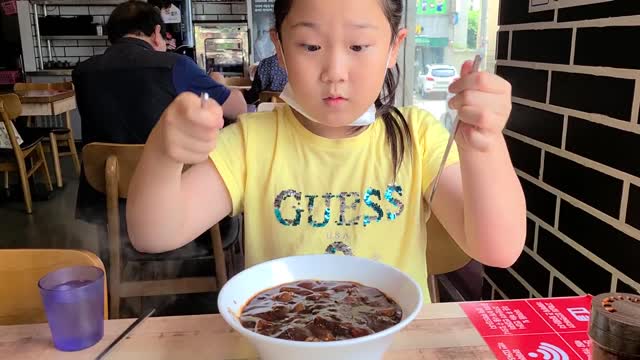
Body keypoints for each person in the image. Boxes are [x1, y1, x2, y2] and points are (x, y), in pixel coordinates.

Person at [127, 0, 527, 302]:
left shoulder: (416, 136)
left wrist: (485, 147)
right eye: (311, 45)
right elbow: (154, 233)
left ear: (393, 48)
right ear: (280, 49)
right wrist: (164, 152)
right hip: (284, 338)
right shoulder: (253, 142)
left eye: (358, 45)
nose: (335, 70)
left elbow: (497, 248)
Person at [73, 0, 247, 223]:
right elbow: (238, 107)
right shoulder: (175, 65)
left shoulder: (83, 71)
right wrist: (217, 81)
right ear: (157, 33)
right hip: (170, 195)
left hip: (106, 195)